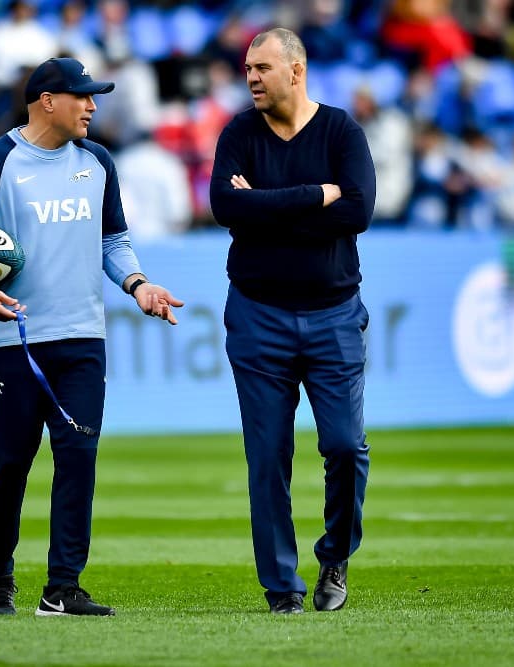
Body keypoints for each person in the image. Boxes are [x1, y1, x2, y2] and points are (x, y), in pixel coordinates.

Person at [0, 57, 183, 617]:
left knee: (78, 459)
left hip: (83, 342)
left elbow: (113, 240)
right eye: (83, 96)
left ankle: (61, 588)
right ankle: (0, 583)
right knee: (9, 465)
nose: (93, 105)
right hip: (12, 345)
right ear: (47, 100)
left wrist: (137, 285)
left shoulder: (97, 162)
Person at [209, 28, 375, 615]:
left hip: (333, 314)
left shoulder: (340, 131)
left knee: (345, 446)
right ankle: (283, 588)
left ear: (296, 71)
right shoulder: (238, 133)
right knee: (268, 457)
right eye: (247, 68)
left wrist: (269, 207)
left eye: (262, 67)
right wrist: (314, 196)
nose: (250, 76)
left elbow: (359, 210)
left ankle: (335, 557)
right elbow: (226, 207)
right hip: (258, 317)